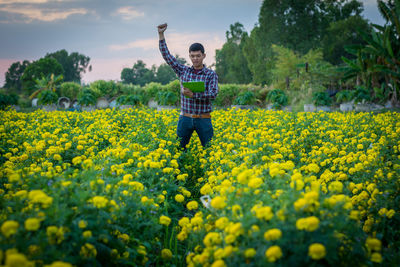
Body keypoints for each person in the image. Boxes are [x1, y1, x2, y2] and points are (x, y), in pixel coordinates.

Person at [157, 23, 219, 149]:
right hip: (185, 118)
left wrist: (194, 95)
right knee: (179, 149)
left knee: (210, 150)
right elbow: (167, 57)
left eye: (198, 56)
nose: (195, 59)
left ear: (204, 56)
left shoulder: (210, 74)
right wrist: (161, 35)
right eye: (192, 56)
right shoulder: (183, 71)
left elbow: (213, 93)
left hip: (203, 118)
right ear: (189, 56)